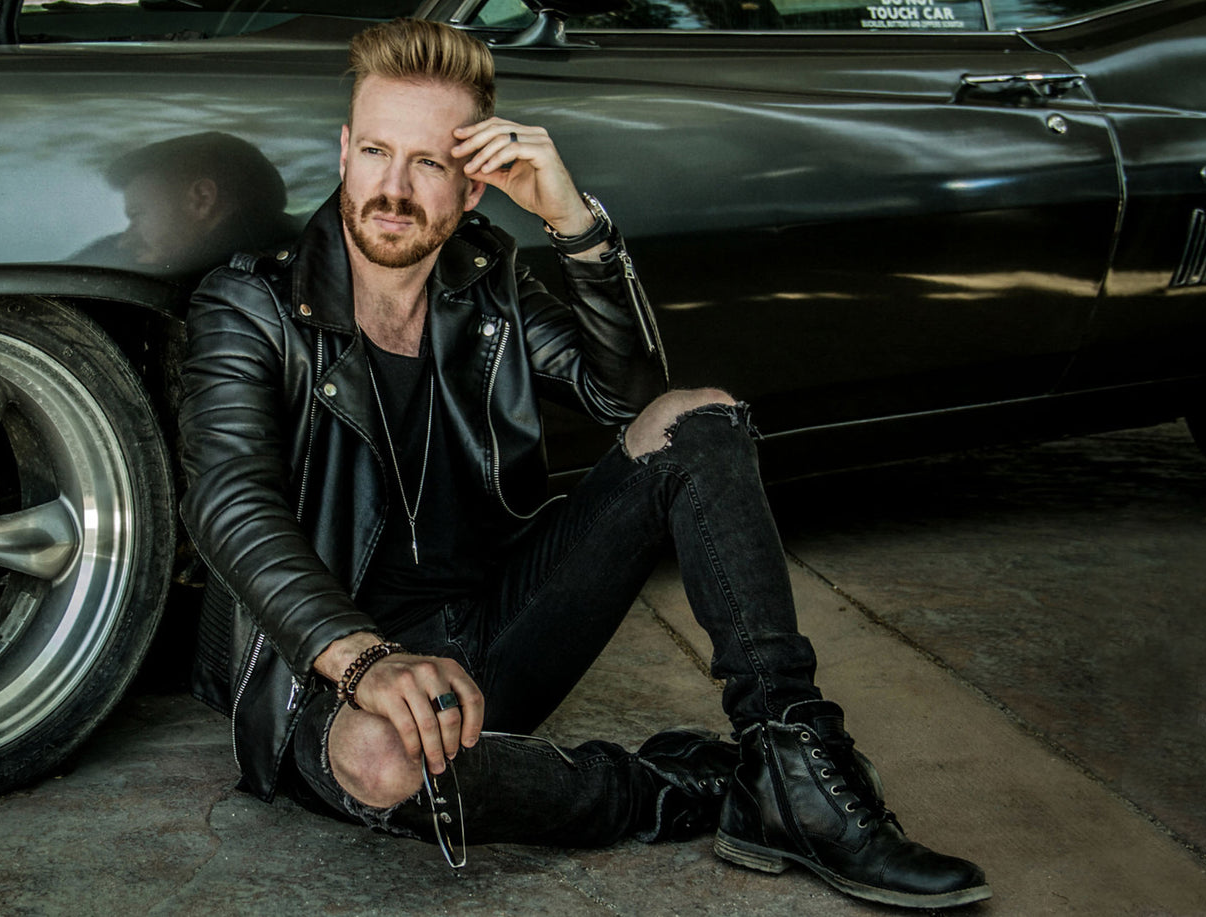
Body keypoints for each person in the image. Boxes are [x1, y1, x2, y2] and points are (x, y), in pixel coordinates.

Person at [178, 18, 990, 910]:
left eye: (428, 163)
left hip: (492, 635)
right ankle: (702, 791)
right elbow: (230, 502)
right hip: (327, 674)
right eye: (375, 150)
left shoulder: (489, 284)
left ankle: (792, 752)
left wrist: (575, 223)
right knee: (384, 762)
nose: (393, 188)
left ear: (474, 183)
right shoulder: (251, 304)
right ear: (344, 148)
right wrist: (366, 658)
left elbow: (630, 395)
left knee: (699, 418)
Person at [74, 131, 297, 276]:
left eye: (137, 214)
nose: (124, 242)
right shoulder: (308, 265)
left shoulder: (216, 290)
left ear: (202, 199)